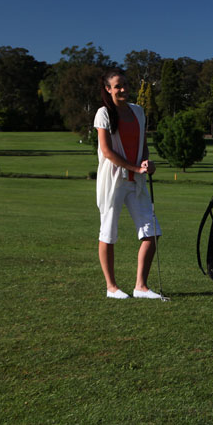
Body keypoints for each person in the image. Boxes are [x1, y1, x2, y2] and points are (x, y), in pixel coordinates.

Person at [94, 71, 163, 300]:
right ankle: (111, 287)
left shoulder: (138, 112)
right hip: (113, 180)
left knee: (151, 231)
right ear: (108, 89)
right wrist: (134, 168)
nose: (122, 89)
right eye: (117, 86)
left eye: (124, 85)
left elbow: (142, 144)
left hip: (137, 181)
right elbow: (107, 152)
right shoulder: (103, 114)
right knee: (109, 232)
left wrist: (146, 162)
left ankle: (140, 286)